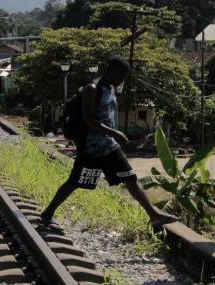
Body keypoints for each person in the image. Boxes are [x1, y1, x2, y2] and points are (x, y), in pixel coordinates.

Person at [39, 56, 178, 229]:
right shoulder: (92, 89)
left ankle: (154, 215)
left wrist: (115, 135)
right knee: (75, 181)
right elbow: (89, 120)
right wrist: (115, 133)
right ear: (111, 69)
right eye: (121, 75)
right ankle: (47, 214)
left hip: (109, 147)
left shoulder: (111, 89)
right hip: (91, 148)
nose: (122, 80)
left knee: (130, 178)